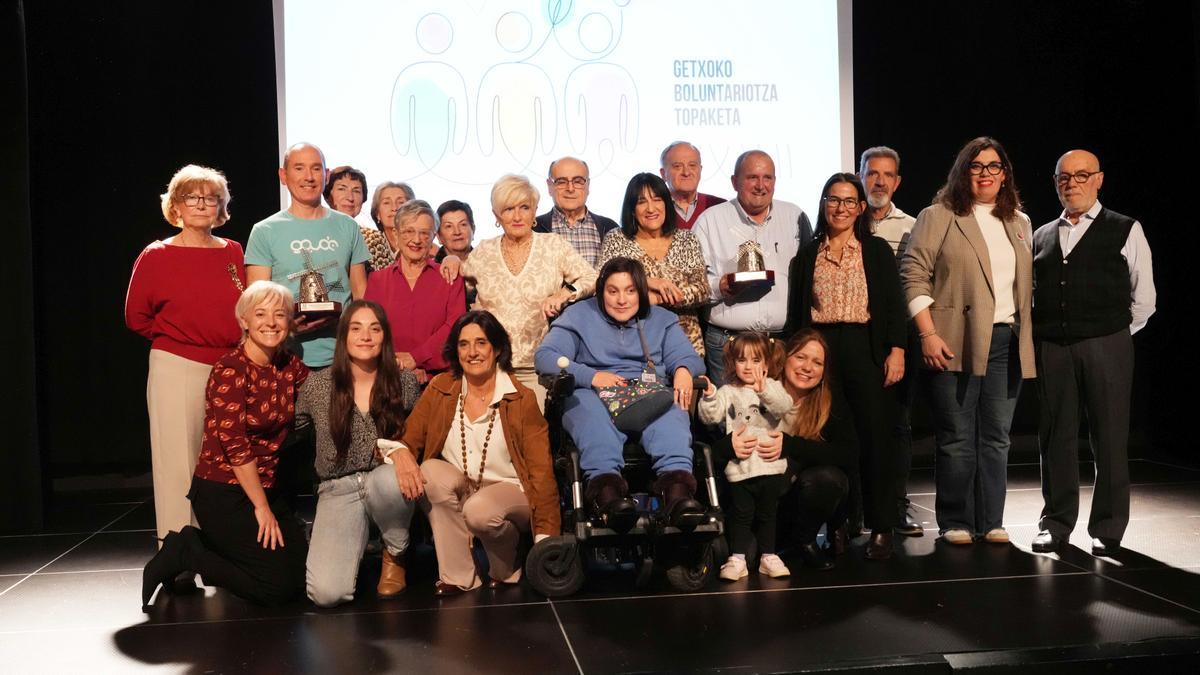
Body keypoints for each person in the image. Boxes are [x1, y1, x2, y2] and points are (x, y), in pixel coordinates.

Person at [900, 136, 1035, 545]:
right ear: (963, 172)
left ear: (1005, 173)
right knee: (957, 438)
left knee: (996, 438)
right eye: (976, 166)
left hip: (1006, 342)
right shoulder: (937, 215)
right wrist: (927, 332)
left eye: (994, 166)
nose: (986, 174)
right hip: (953, 340)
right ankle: (956, 520)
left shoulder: (1019, 221)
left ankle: (991, 520)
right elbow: (912, 274)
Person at [141, 281, 309, 609]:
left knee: (304, 576)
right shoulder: (229, 370)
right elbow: (236, 448)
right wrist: (262, 508)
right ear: (243, 321)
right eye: (260, 314)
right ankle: (189, 550)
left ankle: (226, 550)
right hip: (225, 492)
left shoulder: (288, 365)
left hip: (268, 488)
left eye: (280, 314)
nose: (271, 322)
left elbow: (324, 387)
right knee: (276, 587)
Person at [1031, 150, 1156, 556]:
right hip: (1054, 347)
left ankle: (1107, 528)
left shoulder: (1125, 228)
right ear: (1055, 183)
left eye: (1082, 175)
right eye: (1064, 177)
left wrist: (1114, 334)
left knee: (1109, 437)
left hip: (1108, 345)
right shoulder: (1042, 234)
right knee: (1056, 438)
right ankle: (1056, 523)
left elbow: (1145, 298)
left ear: (1099, 179)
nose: (1073, 183)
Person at [388, 311, 559, 594]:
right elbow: (407, 439)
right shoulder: (441, 388)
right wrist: (401, 454)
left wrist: (546, 539)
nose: (472, 352)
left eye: (481, 343)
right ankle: (458, 575)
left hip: (509, 492)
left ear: (497, 348)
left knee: (479, 510)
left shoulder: (521, 399)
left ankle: (507, 565)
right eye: (463, 344)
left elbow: (542, 472)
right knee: (430, 471)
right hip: (467, 490)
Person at [785, 172, 907, 560]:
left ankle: (881, 527)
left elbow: (892, 306)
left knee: (873, 439)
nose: (840, 208)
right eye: (833, 200)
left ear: (860, 208)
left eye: (848, 201)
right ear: (824, 205)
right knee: (829, 440)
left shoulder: (875, 251)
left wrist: (897, 349)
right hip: (821, 350)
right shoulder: (807, 254)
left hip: (865, 347)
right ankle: (838, 525)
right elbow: (797, 315)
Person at [534, 257, 707, 530]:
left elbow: (686, 355)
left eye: (630, 290)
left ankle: (676, 495)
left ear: (641, 290)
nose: (621, 300)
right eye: (612, 291)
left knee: (671, 409)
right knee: (585, 408)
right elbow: (545, 357)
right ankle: (608, 498)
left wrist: (684, 368)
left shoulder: (662, 319)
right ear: (602, 291)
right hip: (594, 390)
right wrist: (591, 376)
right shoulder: (579, 315)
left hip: (647, 392)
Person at [126, 165, 246, 550]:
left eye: (210, 198)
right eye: (191, 197)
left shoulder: (233, 251)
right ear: (176, 206)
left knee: (226, 462)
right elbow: (136, 317)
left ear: (221, 207)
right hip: (178, 367)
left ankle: (221, 551)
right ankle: (178, 554)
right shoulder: (157, 255)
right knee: (178, 464)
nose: (201, 205)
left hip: (229, 369)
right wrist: (184, 342)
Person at [299, 300, 422, 606]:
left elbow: (420, 434)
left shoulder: (404, 380)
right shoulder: (317, 385)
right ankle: (347, 538)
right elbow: (291, 429)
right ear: (343, 336)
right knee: (326, 594)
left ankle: (395, 551)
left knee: (389, 481)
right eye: (356, 328)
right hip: (338, 488)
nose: (365, 336)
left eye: (374, 328)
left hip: (386, 481)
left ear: (385, 337)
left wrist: (402, 451)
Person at [710, 329, 855, 571]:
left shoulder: (829, 403)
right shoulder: (751, 392)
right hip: (750, 498)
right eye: (800, 357)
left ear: (823, 371)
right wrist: (728, 446)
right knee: (744, 554)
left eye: (817, 362)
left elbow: (848, 454)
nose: (807, 367)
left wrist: (790, 445)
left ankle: (805, 541)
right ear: (784, 358)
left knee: (828, 478)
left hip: (790, 499)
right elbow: (709, 451)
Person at [462, 174, 597, 407]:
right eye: (508, 209)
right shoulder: (483, 252)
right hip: (490, 367)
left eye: (524, 207)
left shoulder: (553, 246)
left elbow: (592, 277)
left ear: (534, 210)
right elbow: (458, 288)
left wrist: (564, 294)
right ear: (496, 215)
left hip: (538, 368)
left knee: (533, 438)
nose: (517, 216)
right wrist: (450, 261)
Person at [694, 149, 813, 384]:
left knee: (778, 416)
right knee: (728, 418)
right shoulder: (710, 220)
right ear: (734, 182)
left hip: (781, 343)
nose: (761, 185)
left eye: (767, 178)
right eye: (752, 178)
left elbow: (810, 276)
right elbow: (692, 283)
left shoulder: (795, 216)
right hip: (729, 345)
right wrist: (721, 286)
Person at [245, 142, 368, 369]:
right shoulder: (265, 231)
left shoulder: (348, 226)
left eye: (316, 168)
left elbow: (361, 293)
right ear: (283, 175)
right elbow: (257, 300)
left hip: (342, 357)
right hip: (284, 356)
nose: (309, 177)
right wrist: (288, 325)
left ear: (326, 174)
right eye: (299, 168)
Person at [859, 146, 923, 537]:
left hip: (899, 339)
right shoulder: (846, 220)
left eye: (887, 175)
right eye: (872, 174)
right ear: (861, 176)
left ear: (897, 182)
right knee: (856, 426)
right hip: (854, 337)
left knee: (897, 427)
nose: (879, 181)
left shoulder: (914, 227)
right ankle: (854, 512)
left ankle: (896, 508)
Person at [697, 333, 793, 580]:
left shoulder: (773, 386)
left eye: (756, 360)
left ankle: (768, 556)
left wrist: (764, 391)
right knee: (741, 514)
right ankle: (737, 558)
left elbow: (783, 406)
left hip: (770, 467)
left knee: (768, 514)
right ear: (732, 363)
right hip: (741, 469)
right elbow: (710, 417)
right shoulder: (728, 391)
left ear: (767, 362)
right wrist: (709, 395)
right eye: (742, 360)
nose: (749, 367)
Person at [599, 172, 710, 356]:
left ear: (666, 203)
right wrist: (646, 281)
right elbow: (602, 283)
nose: (651, 208)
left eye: (657, 199)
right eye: (642, 202)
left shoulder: (686, 239)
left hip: (686, 342)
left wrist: (657, 299)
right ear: (632, 209)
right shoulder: (616, 238)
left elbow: (702, 290)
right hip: (632, 343)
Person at [364, 200, 466, 383]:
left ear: (433, 236)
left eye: (424, 234)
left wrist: (417, 359)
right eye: (409, 231)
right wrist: (398, 365)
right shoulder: (377, 281)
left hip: (440, 381)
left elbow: (455, 326)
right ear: (396, 234)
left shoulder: (450, 277)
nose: (417, 240)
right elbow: (372, 330)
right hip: (388, 379)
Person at [534, 156, 619, 267]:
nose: (570, 188)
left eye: (578, 181)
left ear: (588, 185)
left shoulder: (610, 229)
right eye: (561, 182)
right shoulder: (533, 229)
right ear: (550, 186)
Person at [659, 141, 726, 229]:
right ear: (663, 174)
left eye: (692, 165)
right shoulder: (653, 210)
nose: (686, 173)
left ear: (700, 170)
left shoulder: (719, 206)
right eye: (677, 166)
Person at [362, 181, 416, 273]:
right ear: (377, 213)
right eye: (387, 203)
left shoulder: (426, 247)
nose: (394, 208)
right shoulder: (366, 242)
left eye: (401, 202)